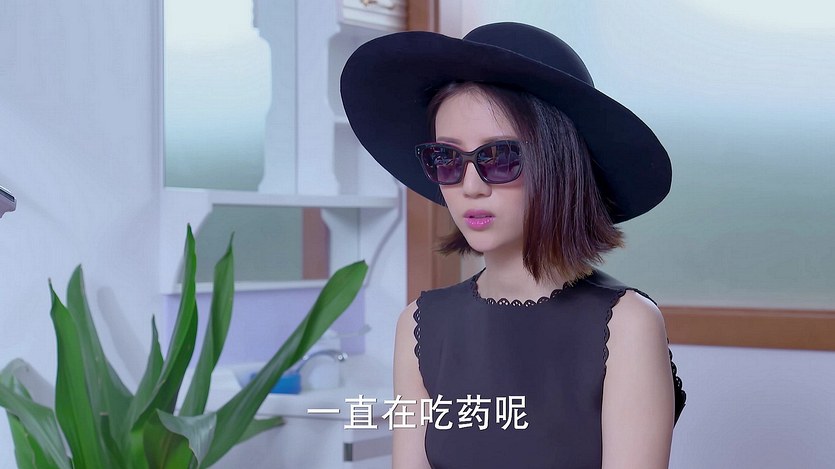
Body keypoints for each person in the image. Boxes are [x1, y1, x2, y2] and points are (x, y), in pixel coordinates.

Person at [341, 22, 686, 469]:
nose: (470, 186)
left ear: (558, 164)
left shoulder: (626, 325)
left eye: (499, 157)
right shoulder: (419, 326)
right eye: (447, 158)